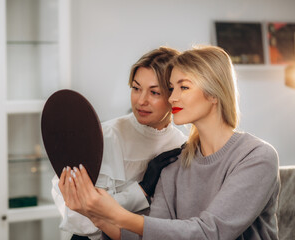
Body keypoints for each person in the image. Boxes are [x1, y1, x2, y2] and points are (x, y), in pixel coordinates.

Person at [61, 45, 280, 240]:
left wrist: (116, 214)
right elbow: (156, 235)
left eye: (183, 87)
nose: (172, 98)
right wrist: (96, 215)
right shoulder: (173, 163)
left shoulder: (257, 157)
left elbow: (210, 233)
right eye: (172, 88)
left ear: (215, 94)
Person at [52, 46, 187, 239]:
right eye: (136, 88)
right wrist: (142, 190)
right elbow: (80, 220)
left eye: (154, 92)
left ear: (173, 95)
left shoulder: (181, 147)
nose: (141, 100)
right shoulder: (105, 137)